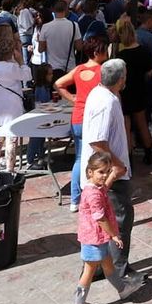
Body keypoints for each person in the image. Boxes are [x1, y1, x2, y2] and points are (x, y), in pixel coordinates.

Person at [84, 59, 141, 288]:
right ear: (120, 79)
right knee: (120, 218)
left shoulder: (104, 96)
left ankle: (102, 265)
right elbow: (97, 140)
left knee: (114, 218)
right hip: (109, 174)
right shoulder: (105, 101)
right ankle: (118, 270)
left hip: (108, 171)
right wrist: (117, 166)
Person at [73, 149, 137, 304]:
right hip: (93, 239)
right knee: (89, 271)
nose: (104, 176)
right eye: (101, 172)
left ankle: (123, 289)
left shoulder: (94, 188)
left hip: (97, 239)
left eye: (107, 172)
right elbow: (100, 217)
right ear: (90, 172)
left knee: (108, 266)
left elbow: (103, 189)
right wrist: (114, 235)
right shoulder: (93, 194)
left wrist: (112, 176)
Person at [55, 41, 108, 212]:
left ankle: (75, 199)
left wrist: (74, 99)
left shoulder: (79, 70)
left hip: (77, 118)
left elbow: (58, 84)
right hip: (93, 119)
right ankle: (93, 196)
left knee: (79, 158)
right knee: (97, 158)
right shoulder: (101, 71)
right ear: (97, 52)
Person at [0, 25, 33, 171]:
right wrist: (22, 62)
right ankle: (9, 170)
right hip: (13, 107)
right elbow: (27, 76)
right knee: (12, 139)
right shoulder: (11, 68)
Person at [111, 16, 152, 165]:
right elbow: (150, 72)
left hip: (125, 92)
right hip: (140, 89)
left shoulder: (121, 55)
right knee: (142, 123)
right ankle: (148, 153)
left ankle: (128, 157)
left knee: (126, 126)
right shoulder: (144, 51)